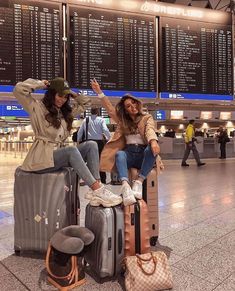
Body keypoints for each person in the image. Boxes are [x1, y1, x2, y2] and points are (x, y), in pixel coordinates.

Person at [13, 78, 122, 208]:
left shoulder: (65, 113)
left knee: (91, 145)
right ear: (52, 93)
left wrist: (72, 93)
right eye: (60, 95)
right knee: (71, 150)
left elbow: (86, 103)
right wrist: (42, 84)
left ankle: (97, 189)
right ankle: (97, 188)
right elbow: (19, 90)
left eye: (65, 97)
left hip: (58, 155)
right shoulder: (37, 107)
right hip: (43, 157)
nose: (62, 99)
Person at [91, 79, 160, 206]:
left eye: (134, 103)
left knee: (150, 150)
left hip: (142, 154)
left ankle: (139, 182)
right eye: (128, 106)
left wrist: (153, 141)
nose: (132, 107)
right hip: (129, 153)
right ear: (125, 110)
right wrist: (99, 92)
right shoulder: (123, 121)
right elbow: (111, 110)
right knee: (119, 154)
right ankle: (126, 186)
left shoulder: (146, 118)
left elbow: (150, 129)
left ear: (137, 103)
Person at [76, 107, 111, 184]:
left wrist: (78, 141)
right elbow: (105, 130)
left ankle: (90, 180)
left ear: (90, 112)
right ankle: (102, 179)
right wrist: (109, 138)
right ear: (98, 112)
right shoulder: (101, 120)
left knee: (89, 161)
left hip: (88, 141)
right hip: (99, 143)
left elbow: (80, 131)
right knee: (100, 161)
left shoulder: (86, 120)